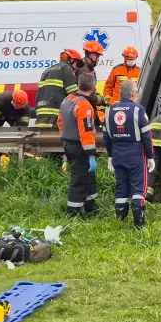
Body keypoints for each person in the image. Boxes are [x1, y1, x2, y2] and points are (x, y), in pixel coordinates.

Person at [104, 80, 156, 227]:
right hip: (136, 154)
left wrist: (110, 156)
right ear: (133, 94)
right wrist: (151, 156)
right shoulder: (138, 110)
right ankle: (139, 224)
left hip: (117, 153)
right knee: (138, 188)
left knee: (121, 187)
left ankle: (120, 222)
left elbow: (106, 137)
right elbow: (147, 136)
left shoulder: (109, 110)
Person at [57, 73, 100, 217]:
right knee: (80, 179)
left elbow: (60, 121)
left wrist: (66, 137)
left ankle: (90, 205)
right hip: (80, 147)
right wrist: (91, 154)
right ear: (93, 88)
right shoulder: (84, 105)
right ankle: (73, 212)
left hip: (68, 144)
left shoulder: (67, 99)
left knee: (89, 177)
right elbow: (86, 132)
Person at [35, 49, 83, 128]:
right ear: (71, 60)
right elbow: (73, 92)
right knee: (54, 138)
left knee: (42, 137)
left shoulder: (47, 70)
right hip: (54, 113)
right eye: (77, 64)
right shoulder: (67, 68)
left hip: (41, 112)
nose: (77, 68)